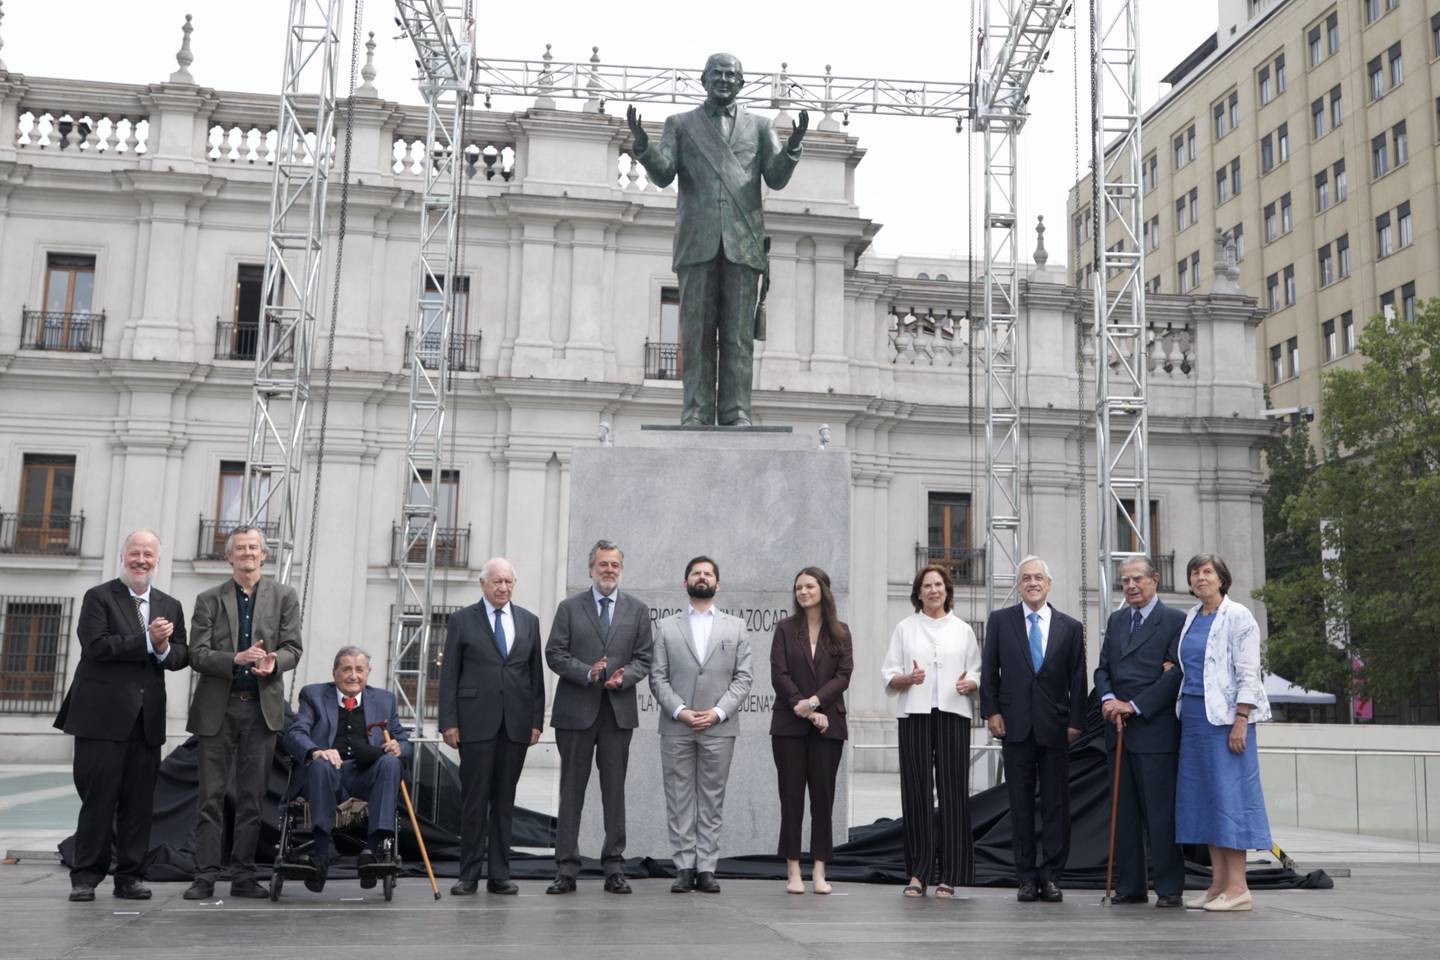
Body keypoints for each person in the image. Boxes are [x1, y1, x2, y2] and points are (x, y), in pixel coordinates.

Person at [625, 53, 808, 426]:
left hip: (742, 240)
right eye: (717, 74)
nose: (724, 80)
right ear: (703, 79)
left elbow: (774, 177)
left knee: (738, 338)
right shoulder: (681, 124)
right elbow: (663, 175)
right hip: (697, 240)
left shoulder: (759, 127)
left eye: (731, 75)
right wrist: (643, 146)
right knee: (696, 333)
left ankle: (736, 411)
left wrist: (792, 148)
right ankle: (695, 411)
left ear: (741, 83)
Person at [55, 529, 189, 902]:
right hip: (101, 721)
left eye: (148, 554)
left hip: (146, 723)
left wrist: (163, 648)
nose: (141, 560)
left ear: (157, 561)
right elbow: (97, 646)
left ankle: (130, 876)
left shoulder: (170, 605)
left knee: (138, 805)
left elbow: (181, 656)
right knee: (98, 801)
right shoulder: (99, 598)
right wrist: (149, 640)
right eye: (135, 553)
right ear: (123, 556)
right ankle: (85, 876)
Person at [185, 525, 303, 900]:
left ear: (263, 555)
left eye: (254, 547)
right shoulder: (208, 599)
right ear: (229, 556)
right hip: (216, 710)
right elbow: (196, 654)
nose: (248, 553)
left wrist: (274, 663)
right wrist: (234, 659)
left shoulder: (285, 596)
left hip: (261, 709)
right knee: (211, 799)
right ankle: (204, 876)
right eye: (240, 548)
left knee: (252, 798)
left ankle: (243, 876)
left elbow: (293, 648)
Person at [544, 539, 654, 895]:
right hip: (576, 712)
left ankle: (614, 867)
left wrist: (627, 676)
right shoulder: (569, 607)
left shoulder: (637, 610)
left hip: (617, 713)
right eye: (603, 564)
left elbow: (644, 659)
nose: (609, 570)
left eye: (615, 565)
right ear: (590, 568)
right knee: (571, 792)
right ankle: (566, 868)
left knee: (614, 792)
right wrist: (587, 672)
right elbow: (555, 654)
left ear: (621, 569)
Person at [980, 555, 1086, 903]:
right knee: (1020, 805)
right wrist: (991, 711)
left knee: (1056, 805)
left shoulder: (1070, 627)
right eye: (1025, 578)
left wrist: (1075, 721)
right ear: (1019, 584)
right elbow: (989, 671)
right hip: (1015, 727)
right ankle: (1025, 877)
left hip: (1055, 729)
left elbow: (1077, 678)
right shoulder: (1000, 621)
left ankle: (1052, 875)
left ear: (1049, 583)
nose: (1032, 583)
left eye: (1038, 577)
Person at [438, 557, 544, 895]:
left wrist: (536, 721)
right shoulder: (462, 620)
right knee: (474, 801)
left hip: (515, 724)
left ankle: (500, 873)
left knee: (504, 801)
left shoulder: (529, 621)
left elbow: (535, 677)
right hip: (474, 724)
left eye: (509, 582)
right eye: (497, 581)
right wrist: (449, 721)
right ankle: (468, 874)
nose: (503, 588)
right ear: (483, 584)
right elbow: (449, 675)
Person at [649, 556, 753, 893]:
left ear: (717, 584)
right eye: (696, 573)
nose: (702, 577)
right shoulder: (666, 627)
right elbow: (657, 677)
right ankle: (683, 866)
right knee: (679, 798)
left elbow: (744, 677)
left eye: (708, 574)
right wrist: (679, 709)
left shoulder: (735, 627)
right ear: (685, 583)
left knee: (712, 798)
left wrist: (718, 712)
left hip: (719, 727)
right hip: (677, 725)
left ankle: (707, 867)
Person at [1174, 553, 1272, 913]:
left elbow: (1249, 671)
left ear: (1221, 578)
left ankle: (1238, 887)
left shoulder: (1238, 616)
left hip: (1228, 721)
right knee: (1204, 801)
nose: (1200, 578)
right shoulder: (1190, 618)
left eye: (1207, 572)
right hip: (1195, 718)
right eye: (1195, 573)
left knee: (1230, 800)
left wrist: (1242, 718)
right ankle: (1217, 884)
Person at [880, 564, 982, 898]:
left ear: (947, 590)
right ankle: (918, 872)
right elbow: (889, 674)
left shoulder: (963, 630)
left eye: (938, 584)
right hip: (915, 714)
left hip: (953, 713)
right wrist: (908, 679)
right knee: (916, 792)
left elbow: (977, 671)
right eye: (927, 586)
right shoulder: (905, 629)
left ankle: (950, 874)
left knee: (953, 792)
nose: (934, 590)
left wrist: (971, 682)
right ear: (919, 592)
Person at [1093, 556, 1186, 907]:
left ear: (1155, 580)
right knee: (1125, 814)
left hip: (1155, 729)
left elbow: (1174, 674)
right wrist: (1107, 699)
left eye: (1137, 579)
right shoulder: (1117, 621)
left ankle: (1169, 887)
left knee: (1160, 813)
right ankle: (1130, 886)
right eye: (1124, 581)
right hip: (1118, 731)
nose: (1130, 586)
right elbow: (1102, 669)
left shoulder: (1175, 620)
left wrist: (1133, 706)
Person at [283, 647, 412, 893]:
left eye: (359, 669)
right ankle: (320, 855)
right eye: (347, 669)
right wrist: (315, 751)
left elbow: (405, 743)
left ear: (368, 673)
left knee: (391, 762)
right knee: (320, 763)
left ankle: (370, 853)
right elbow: (295, 733)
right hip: (327, 775)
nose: (353, 675)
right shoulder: (314, 695)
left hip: (366, 777)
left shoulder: (384, 700)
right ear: (334, 673)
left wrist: (399, 748)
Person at [770, 566, 853, 895]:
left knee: (823, 798)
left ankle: (819, 870)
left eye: (809, 586)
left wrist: (815, 703)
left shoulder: (841, 632)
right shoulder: (784, 629)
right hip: (789, 726)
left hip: (828, 725)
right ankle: (793, 870)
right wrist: (802, 707)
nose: (802, 592)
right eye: (798, 587)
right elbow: (780, 674)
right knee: (791, 798)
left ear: (823, 589)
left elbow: (844, 676)